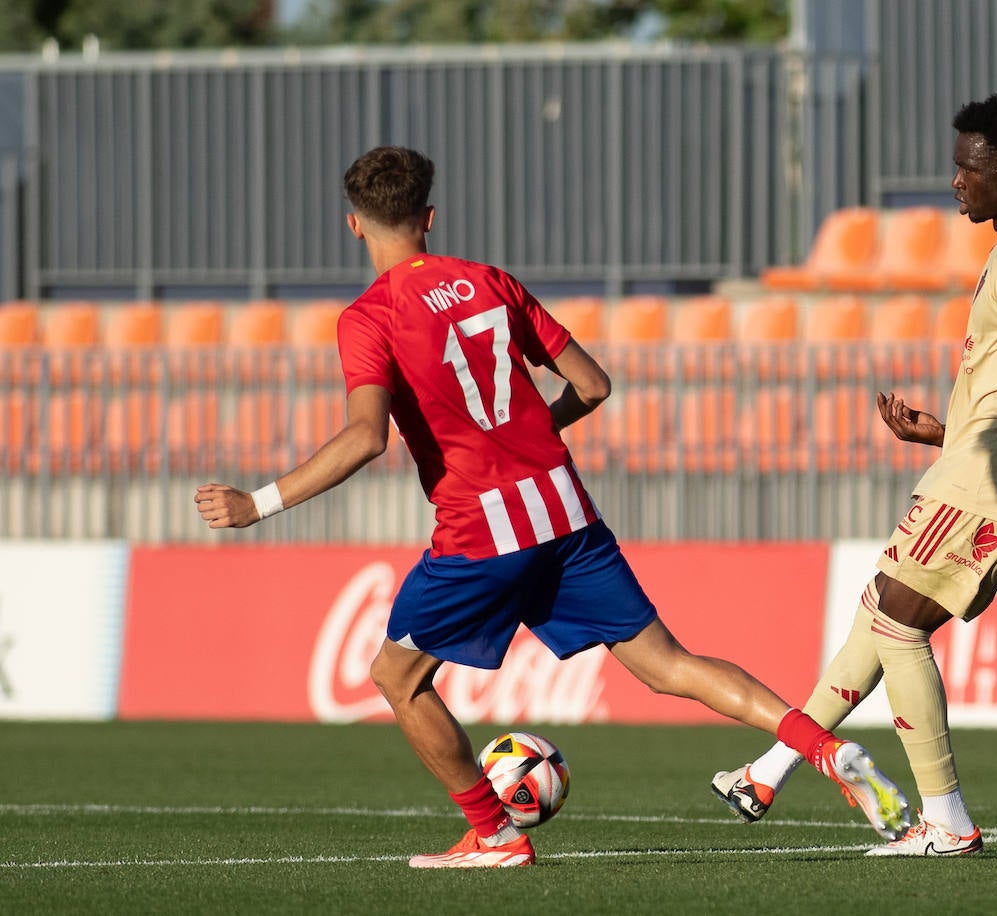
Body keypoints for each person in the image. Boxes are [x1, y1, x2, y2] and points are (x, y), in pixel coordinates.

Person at [193, 146, 910, 868]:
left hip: (481, 528)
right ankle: (825, 746)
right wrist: (532, 429)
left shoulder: (370, 316)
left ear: (354, 225)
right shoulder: (492, 283)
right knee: (669, 664)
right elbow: (593, 385)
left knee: (396, 677)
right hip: (565, 510)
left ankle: (494, 833)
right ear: (430, 217)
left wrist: (256, 503)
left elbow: (363, 437)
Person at [710, 93, 997, 856]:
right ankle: (769, 770)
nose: (957, 181)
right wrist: (946, 433)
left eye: (971, 169)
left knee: (897, 623)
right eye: (956, 166)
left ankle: (946, 820)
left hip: (994, 481)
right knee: (879, 609)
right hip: (978, 464)